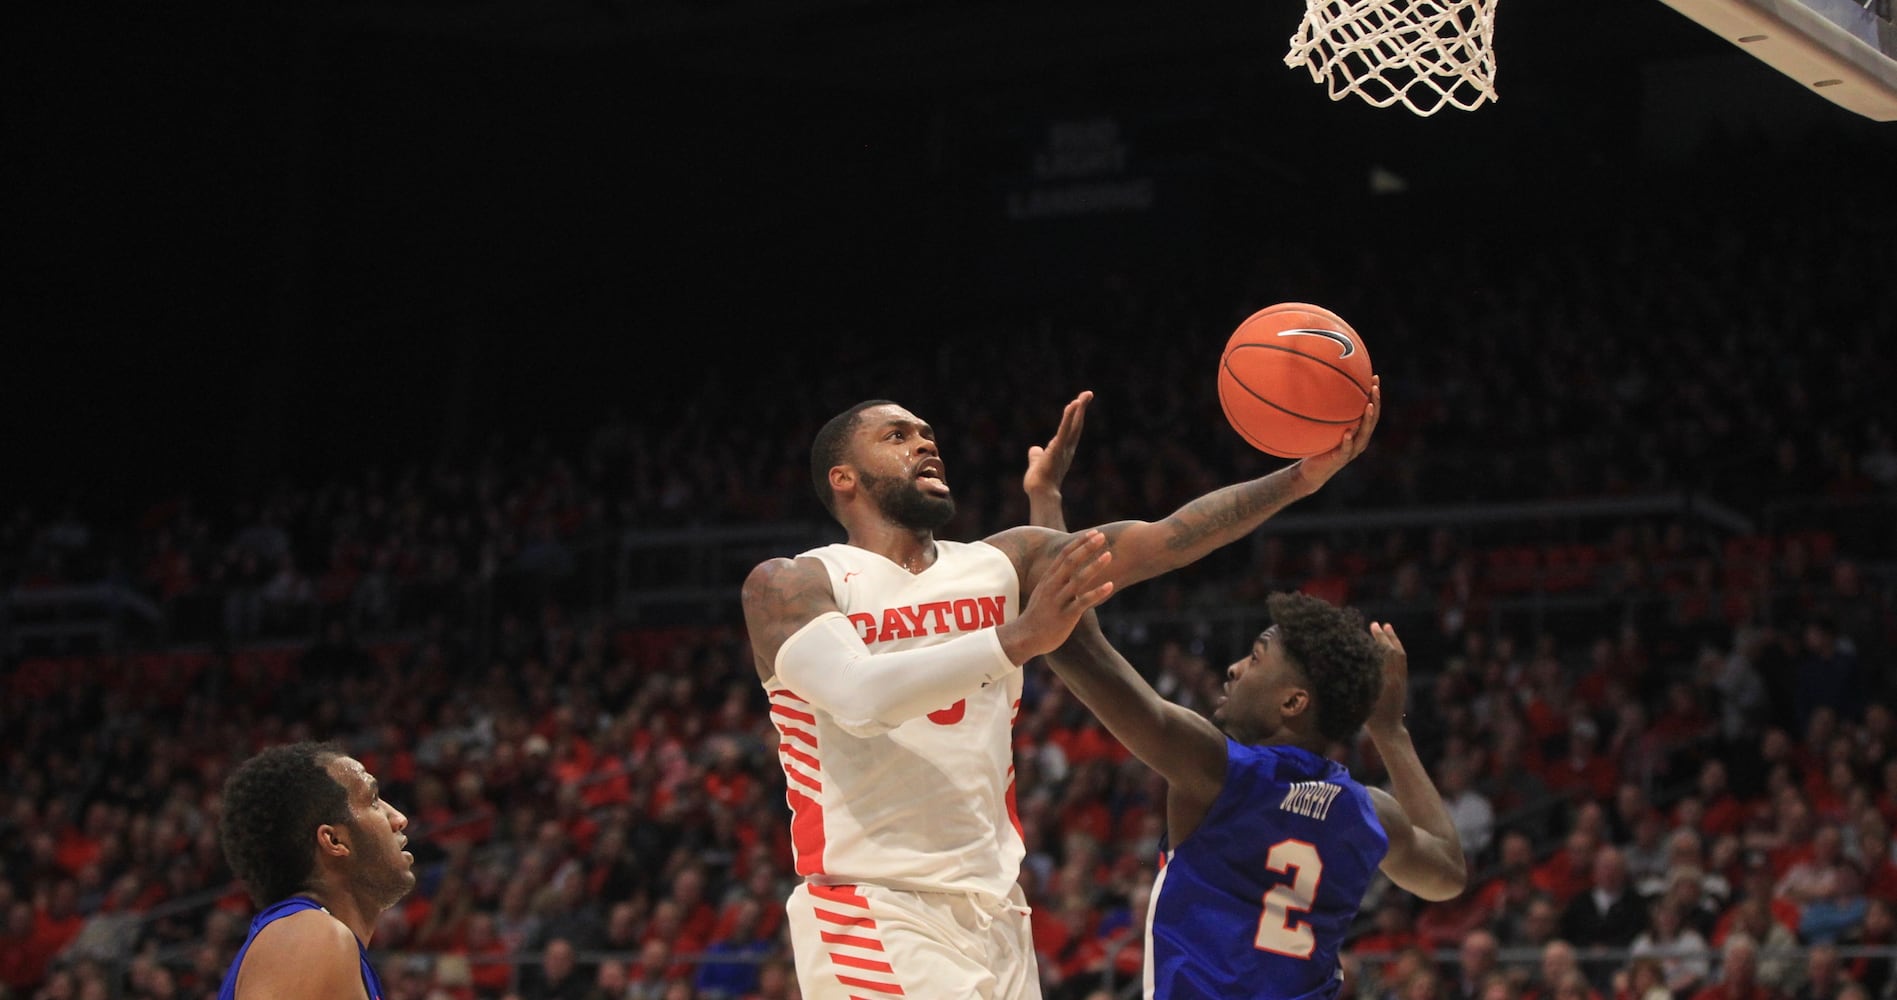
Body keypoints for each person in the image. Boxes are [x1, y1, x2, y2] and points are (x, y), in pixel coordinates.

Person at [740, 385, 1379, 999]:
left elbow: (1165, 538)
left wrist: (1300, 478)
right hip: (874, 902)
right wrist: (1018, 638)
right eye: (897, 436)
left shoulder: (1001, 563)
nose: (925, 444)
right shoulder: (793, 583)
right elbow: (859, 698)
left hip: (997, 910)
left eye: (928, 434)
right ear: (843, 478)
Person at [1040, 598, 1464, 997]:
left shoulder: (1216, 770)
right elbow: (1447, 872)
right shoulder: (1367, 811)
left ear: (1293, 701)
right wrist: (1391, 730)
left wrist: (1041, 554)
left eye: (1256, 658)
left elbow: (1074, 647)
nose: (1234, 668)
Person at [216, 741, 415, 1000]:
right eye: (373, 800)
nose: (399, 819)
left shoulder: (319, 942)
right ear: (334, 841)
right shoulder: (311, 934)